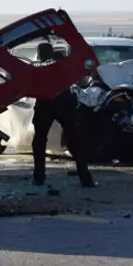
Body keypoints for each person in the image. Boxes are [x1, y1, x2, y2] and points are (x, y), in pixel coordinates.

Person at [31, 42, 95, 188]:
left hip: (45, 104)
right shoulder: (61, 64)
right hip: (64, 102)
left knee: (39, 141)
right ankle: (85, 178)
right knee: (74, 140)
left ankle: (38, 177)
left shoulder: (37, 67)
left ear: (40, 54)